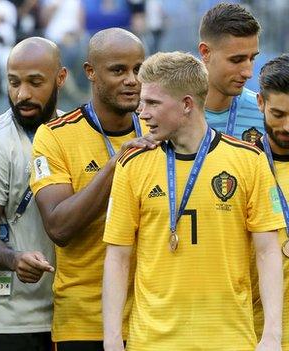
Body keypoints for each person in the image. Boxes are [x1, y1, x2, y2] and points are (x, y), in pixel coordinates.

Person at [102, 51, 284, 351]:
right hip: (152, 341)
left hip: (230, 340)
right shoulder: (132, 163)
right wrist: (111, 340)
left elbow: (267, 252)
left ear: (186, 104)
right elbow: (118, 257)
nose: (141, 112)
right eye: (142, 102)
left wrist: (272, 336)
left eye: (152, 103)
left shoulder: (249, 160)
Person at [30, 28, 156, 350]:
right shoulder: (54, 136)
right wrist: (117, 164)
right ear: (90, 72)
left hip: (153, 319)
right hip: (84, 323)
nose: (132, 80)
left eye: (138, 69)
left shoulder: (160, 134)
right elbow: (58, 226)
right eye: (118, 70)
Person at [0, 36, 61, 351]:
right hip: (7, 322)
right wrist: (15, 259)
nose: (23, 94)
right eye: (14, 83)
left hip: (65, 315)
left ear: (60, 79)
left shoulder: (71, 135)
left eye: (35, 82)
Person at [252, 54, 289, 350]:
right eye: (279, 114)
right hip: (255, 335)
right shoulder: (241, 165)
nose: (288, 126)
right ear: (261, 102)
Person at [199, 2, 263, 142]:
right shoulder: (173, 113)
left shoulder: (265, 114)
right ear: (206, 52)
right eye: (237, 60)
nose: (248, 73)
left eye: (252, 58)